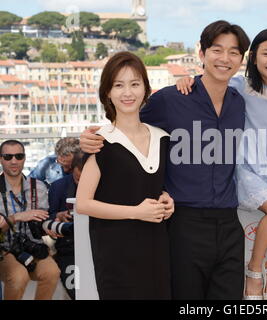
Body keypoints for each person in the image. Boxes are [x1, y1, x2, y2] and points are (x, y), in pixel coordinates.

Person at [80, 20, 251, 300]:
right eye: (217, 50)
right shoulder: (171, 100)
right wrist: (89, 139)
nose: (225, 58)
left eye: (234, 52)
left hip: (230, 223)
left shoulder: (238, 102)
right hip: (184, 224)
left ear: (241, 59)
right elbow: (126, 126)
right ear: (202, 54)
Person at [176, 28, 267, 300]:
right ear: (253, 57)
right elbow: (208, 83)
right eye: (266, 53)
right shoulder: (240, 85)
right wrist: (186, 79)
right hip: (246, 166)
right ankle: (254, 271)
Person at [75, 51, 175, 300]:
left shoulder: (163, 139)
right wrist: (136, 212)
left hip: (156, 250)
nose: (127, 93)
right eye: (118, 85)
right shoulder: (101, 142)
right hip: (115, 255)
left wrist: (167, 200)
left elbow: (157, 186)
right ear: (107, 92)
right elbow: (83, 203)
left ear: (145, 88)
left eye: (134, 84)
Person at [0, 140, 61, 300]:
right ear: (1, 159)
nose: (14, 161)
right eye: (8, 157)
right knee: (19, 277)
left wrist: (53, 221)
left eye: (18, 156)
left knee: (52, 272)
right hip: (3, 250)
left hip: (31, 246)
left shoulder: (39, 187)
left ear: (24, 158)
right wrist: (16, 217)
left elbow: (42, 223)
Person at [48, 151, 84, 300]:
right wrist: (58, 216)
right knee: (75, 291)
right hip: (68, 247)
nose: (82, 180)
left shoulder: (106, 185)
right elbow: (47, 216)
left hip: (99, 246)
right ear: (72, 168)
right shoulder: (58, 186)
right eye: (78, 176)